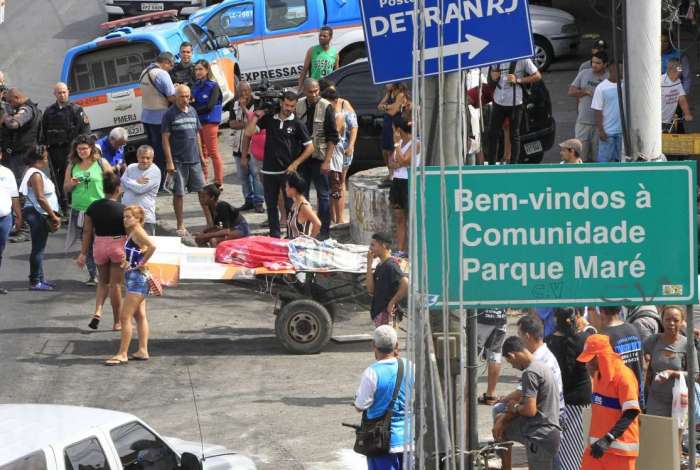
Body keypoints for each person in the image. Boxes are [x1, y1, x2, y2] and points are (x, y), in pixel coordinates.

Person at [245, 91, 314, 238]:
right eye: (287, 105)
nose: (289, 108)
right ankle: (274, 235)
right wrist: (257, 116)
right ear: (281, 103)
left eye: (292, 106)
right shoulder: (270, 119)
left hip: (288, 172)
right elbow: (249, 132)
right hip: (269, 171)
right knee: (270, 205)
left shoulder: (297, 123)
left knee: (290, 206)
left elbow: (310, 147)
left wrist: (295, 164)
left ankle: (291, 235)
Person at [493, 336, 562, 470]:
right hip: (549, 433)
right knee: (501, 423)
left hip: (539, 437)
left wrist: (515, 407)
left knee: (501, 424)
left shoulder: (530, 373)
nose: (513, 366)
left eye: (510, 362)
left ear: (512, 355)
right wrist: (502, 419)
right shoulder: (541, 366)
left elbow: (530, 410)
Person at [577, 334, 640, 470]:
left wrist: (608, 438)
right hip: (597, 448)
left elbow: (631, 412)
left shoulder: (624, 376)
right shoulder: (598, 376)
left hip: (620, 452)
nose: (587, 364)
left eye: (590, 360)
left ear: (600, 357)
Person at [354, 325, 411, 470]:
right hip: (409, 439)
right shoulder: (410, 366)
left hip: (380, 442)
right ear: (396, 345)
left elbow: (360, 406)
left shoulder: (372, 372)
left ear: (374, 346)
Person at [105, 205, 155, 365]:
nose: (125, 220)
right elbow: (140, 250)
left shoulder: (138, 231)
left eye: (128, 217)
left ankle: (122, 353)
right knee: (139, 316)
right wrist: (130, 262)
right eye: (124, 217)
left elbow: (152, 246)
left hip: (137, 279)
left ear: (138, 218)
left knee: (124, 316)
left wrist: (141, 263)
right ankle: (142, 350)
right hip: (134, 276)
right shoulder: (133, 232)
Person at [76, 172, 125, 331]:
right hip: (118, 245)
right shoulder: (124, 209)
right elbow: (131, 233)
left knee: (103, 282)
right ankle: (117, 321)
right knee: (116, 285)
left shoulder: (93, 207)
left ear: (102, 189)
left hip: (99, 246)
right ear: (118, 189)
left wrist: (83, 253)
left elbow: (87, 232)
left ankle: (98, 311)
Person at [546, 308, 594, 470]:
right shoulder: (585, 339)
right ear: (576, 318)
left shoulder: (547, 343)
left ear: (554, 320)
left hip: (556, 402)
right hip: (581, 400)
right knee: (580, 448)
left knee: (561, 448)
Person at [64, 134, 113, 285]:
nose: (82, 151)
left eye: (85, 148)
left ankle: (107, 273)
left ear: (91, 149)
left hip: (99, 209)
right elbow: (65, 187)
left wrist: (111, 203)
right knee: (87, 243)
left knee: (102, 242)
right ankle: (93, 275)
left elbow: (113, 184)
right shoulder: (72, 165)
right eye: (79, 149)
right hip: (80, 210)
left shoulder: (101, 163)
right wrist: (72, 183)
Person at [162, 84, 210, 237]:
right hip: (178, 161)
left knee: (202, 191)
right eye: (182, 96)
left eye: (187, 96)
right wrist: (169, 161)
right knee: (179, 193)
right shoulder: (169, 114)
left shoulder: (193, 111)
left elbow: (197, 134)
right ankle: (180, 224)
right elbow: (165, 139)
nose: (185, 99)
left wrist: (202, 157)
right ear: (176, 96)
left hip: (194, 159)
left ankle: (210, 222)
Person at [296, 78, 339, 239]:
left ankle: (324, 231)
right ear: (305, 91)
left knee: (323, 195)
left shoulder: (326, 106)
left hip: (319, 157)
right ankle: (305, 229)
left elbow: (333, 137)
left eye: (316, 91)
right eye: (310, 91)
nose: (314, 94)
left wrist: (327, 160)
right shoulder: (299, 105)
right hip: (302, 157)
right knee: (303, 194)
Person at [40, 82, 90, 212]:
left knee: (74, 177)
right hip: (55, 152)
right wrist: (44, 148)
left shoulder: (76, 110)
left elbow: (85, 132)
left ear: (68, 92)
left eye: (64, 92)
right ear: (55, 94)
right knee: (58, 179)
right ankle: (64, 207)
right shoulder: (49, 111)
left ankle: (78, 205)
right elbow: (43, 133)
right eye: (59, 93)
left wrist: (81, 150)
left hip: (71, 151)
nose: (62, 95)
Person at [644, 305, 698, 417]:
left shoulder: (687, 344)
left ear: (682, 322)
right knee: (656, 433)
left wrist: (672, 373)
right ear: (662, 320)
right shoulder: (653, 340)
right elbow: (639, 354)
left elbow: (695, 375)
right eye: (668, 319)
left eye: (676, 320)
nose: (671, 323)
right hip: (655, 401)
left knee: (675, 434)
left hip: (679, 402)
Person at [19, 146, 61, 291]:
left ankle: (40, 279)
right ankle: (35, 281)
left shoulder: (33, 172)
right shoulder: (35, 174)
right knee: (38, 248)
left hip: (37, 212)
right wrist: (53, 215)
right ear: (38, 159)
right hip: (37, 213)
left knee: (39, 247)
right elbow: (41, 198)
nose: (47, 160)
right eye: (45, 157)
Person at [486, 59, 542, 165]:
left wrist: (518, 80)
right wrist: (493, 77)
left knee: (514, 134)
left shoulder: (523, 59)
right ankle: (491, 164)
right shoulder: (497, 56)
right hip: (498, 100)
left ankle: (514, 164)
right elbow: (492, 77)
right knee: (493, 133)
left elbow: (538, 76)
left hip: (515, 102)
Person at [590, 306, 645, 408]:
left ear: (601, 311)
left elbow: (599, 373)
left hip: (615, 401)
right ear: (619, 310)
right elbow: (642, 364)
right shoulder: (633, 329)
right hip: (635, 396)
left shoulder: (603, 337)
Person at [320, 83, 357, 225]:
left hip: (340, 150)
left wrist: (351, 146)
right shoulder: (325, 108)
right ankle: (332, 217)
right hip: (330, 151)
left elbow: (353, 127)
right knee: (331, 185)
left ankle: (339, 218)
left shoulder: (341, 109)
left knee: (339, 184)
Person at [140, 52, 176, 184]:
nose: (171, 69)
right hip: (160, 117)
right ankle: (165, 181)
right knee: (163, 151)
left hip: (147, 116)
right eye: (171, 66)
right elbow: (171, 96)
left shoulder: (144, 72)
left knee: (153, 151)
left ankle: (156, 180)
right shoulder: (161, 74)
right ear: (166, 62)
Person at [230, 81, 264, 213]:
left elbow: (254, 124)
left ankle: (258, 201)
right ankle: (248, 200)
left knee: (256, 175)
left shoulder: (258, 103)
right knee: (242, 176)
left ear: (250, 90)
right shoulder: (234, 104)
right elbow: (232, 124)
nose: (244, 94)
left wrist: (244, 110)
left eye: (246, 91)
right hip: (238, 145)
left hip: (253, 146)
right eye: (241, 91)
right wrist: (246, 123)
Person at [568, 51, 608, 162]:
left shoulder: (609, 77)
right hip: (583, 123)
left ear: (605, 64)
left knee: (598, 159)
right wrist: (584, 92)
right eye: (593, 62)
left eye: (598, 63)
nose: (594, 65)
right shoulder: (584, 73)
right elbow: (571, 91)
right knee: (580, 158)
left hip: (600, 126)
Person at [388, 113, 418, 256]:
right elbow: (392, 162)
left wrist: (396, 145)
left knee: (412, 216)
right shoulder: (400, 144)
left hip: (409, 182)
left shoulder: (416, 143)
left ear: (398, 130)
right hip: (397, 182)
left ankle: (415, 248)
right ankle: (401, 249)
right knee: (399, 217)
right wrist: (398, 159)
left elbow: (405, 161)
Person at [192, 59, 223, 188]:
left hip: (210, 122)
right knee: (201, 153)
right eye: (196, 69)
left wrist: (192, 110)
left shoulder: (213, 86)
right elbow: (192, 103)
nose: (198, 72)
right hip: (198, 122)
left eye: (200, 69)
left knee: (213, 152)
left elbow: (210, 106)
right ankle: (203, 180)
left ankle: (218, 181)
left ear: (206, 70)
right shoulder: (194, 86)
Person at [366, 232, 408, 327]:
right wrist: (369, 264)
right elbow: (370, 289)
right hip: (379, 313)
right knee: (387, 341)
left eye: (373, 245)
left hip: (386, 313)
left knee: (386, 340)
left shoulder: (390, 265)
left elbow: (405, 284)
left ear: (384, 246)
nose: (370, 248)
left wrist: (392, 302)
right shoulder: (380, 265)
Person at [121, 145, 161, 236]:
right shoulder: (131, 167)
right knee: (129, 247)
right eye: (142, 157)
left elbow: (140, 189)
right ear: (137, 157)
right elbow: (122, 185)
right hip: (128, 217)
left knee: (146, 247)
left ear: (152, 158)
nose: (145, 160)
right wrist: (136, 182)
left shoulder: (155, 171)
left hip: (145, 217)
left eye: (148, 158)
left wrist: (128, 181)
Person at [591, 62, 623, 163]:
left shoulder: (626, 85)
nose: (622, 72)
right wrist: (601, 130)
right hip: (608, 133)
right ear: (611, 71)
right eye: (620, 70)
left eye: (622, 70)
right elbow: (597, 110)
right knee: (605, 162)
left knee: (621, 161)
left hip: (623, 133)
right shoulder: (601, 88)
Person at [378, 83, 409, 183]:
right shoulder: (389, 93)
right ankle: (390, 172)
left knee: (392, 149)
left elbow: (394, 111)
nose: (386, 85)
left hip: (395, 124)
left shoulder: (400, 94)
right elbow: (379, 106)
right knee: (385, 150)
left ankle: (394, 174)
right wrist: (389, 106)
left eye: (388, 83)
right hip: (387, 123)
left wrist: (386, 107)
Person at [476, 307, 508, 406]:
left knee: (471, 354)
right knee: (495, 355)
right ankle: (491, 394)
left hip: (481, 316)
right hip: (500, 316)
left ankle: (466, 393)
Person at [0, 150, 21, 294]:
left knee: (0, 252)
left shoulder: (7, 173)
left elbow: (14, 196)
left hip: (5, 218)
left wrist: (19, 216)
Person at [297, 26, 339, 91]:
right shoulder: (312, 50)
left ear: (330, 38)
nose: (321, 38)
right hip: (315, 86)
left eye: (324, 36)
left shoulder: (335, 54)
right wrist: (300, 88)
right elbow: (304, 70)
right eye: (320, 35)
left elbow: (337, 73)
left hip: (328, 87)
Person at [285, 172, 321, 238]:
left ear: (293, 189)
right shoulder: (295, 204)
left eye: (287, 187)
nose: (286, 189)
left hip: (300, 245)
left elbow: (317, 224)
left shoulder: (304, 206)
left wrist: (309, 240)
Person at [661, 59, 693, 133]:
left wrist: (687, 113)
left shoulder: (678, 81)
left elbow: (682, 99)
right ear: (670, 70)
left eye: (679, 74)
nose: (677, 76)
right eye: (676, 73)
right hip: (658, 121)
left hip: (670, 121)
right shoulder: (660, 82)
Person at [661, 29, 692, 94]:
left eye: (665, 41)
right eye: (660, 41)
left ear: (670, 42)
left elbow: (686, 77)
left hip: (673, 95)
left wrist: (682, 95)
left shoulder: (679, 56)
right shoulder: (651, 55)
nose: (662, 44)